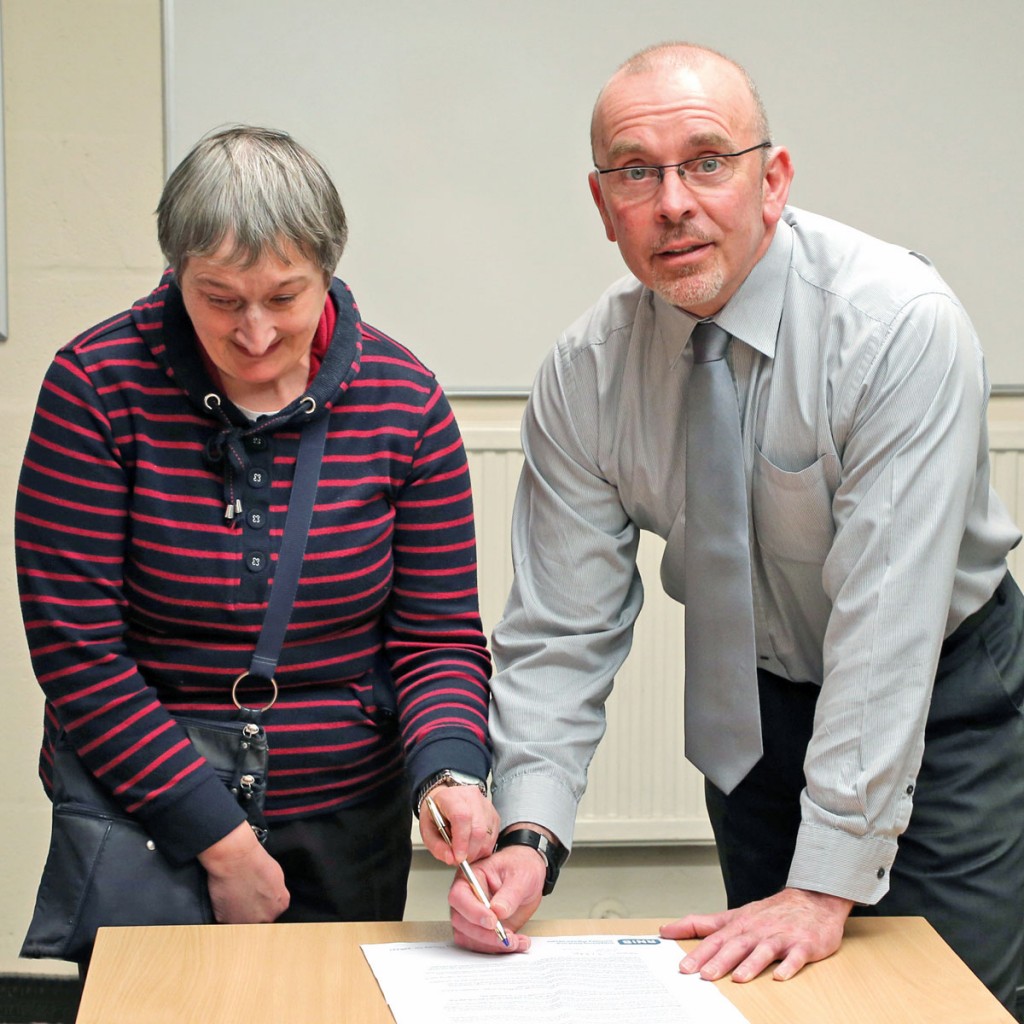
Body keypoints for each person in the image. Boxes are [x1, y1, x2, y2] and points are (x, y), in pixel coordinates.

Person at [447, 43, 1024, 1014]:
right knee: (774, 997)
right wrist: (527, 835)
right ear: (603, 207)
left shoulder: (895, 328)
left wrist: (824, 882)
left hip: (939, 695)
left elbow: (886, 636)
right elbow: (559, 633)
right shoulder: (586, 375)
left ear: (773, 180)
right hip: (756, 716)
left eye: (708, 160)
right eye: (637, 171)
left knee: (942, 1001)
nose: (673, 201)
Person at [15, 125, 497, 955]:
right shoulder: (95, 388)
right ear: (176, 275)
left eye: (284, 296)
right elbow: (78, 652)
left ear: (328, 273)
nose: (255, 333)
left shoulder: (404, 402)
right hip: (147, 821)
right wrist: (219, 838)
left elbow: (435, 640)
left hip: (345, 811)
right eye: (220, 298)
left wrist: (450, 771)